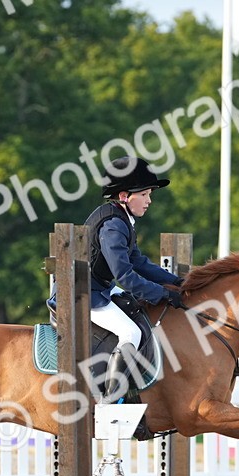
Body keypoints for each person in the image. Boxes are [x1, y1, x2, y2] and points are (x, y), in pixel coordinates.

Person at [49, 156, 185, 400]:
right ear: (124, 196)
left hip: (96, 288)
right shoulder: (113, 225)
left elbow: (139, 262)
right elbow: (126, 276)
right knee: (130, 333)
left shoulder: (122, 219)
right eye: (144, 194)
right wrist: (163, 294)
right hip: (81, 292)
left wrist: (177, 282)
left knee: (137, 313)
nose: (149, 200)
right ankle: (111, 402)